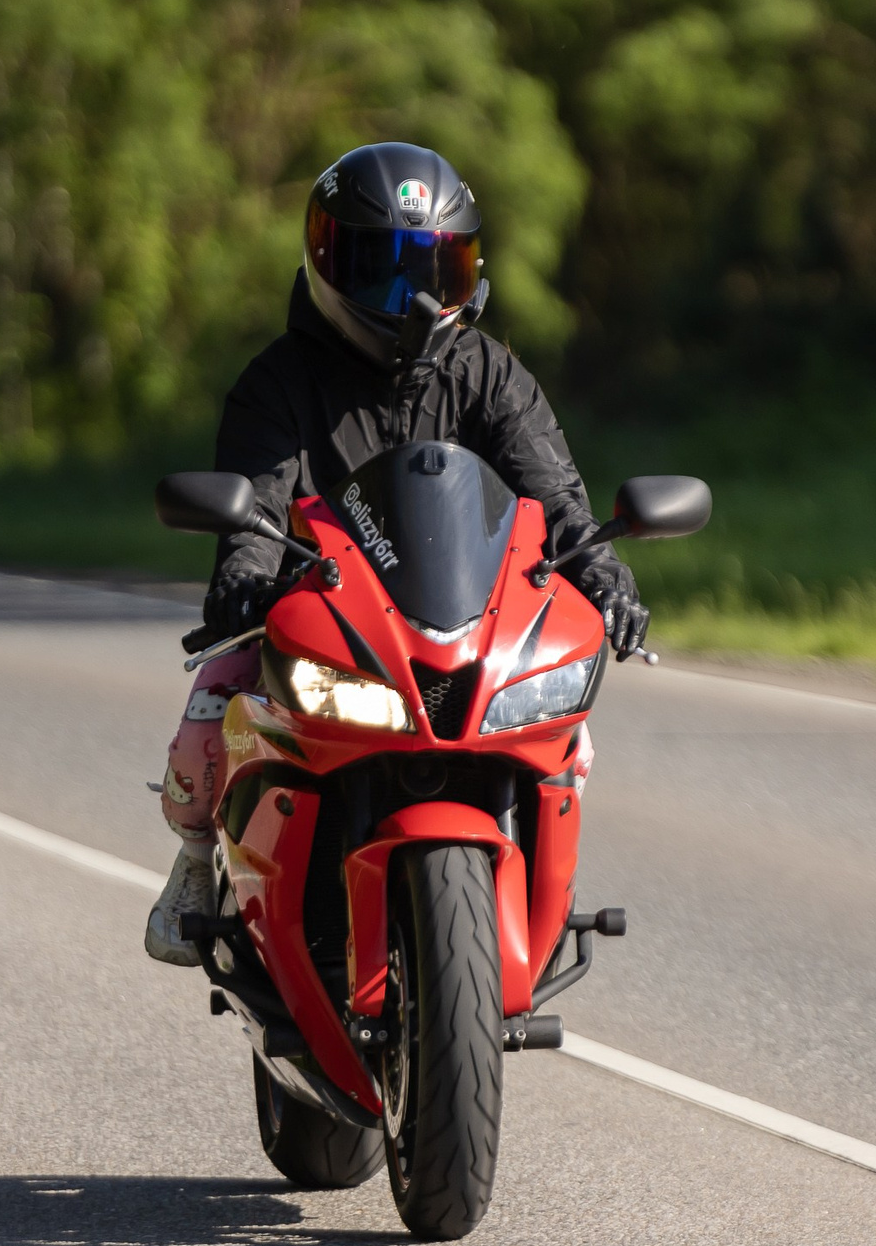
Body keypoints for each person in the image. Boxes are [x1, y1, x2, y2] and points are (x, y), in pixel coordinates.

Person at [144, 141, 648, 965]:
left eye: (438, 267)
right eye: (380, 267)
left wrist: (605, 576)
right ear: (323, 261)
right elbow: (255, 496)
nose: (412, 296)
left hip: (471, 617)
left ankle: (534, 903)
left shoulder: (491, 375)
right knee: (210, 725)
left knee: (570, 735)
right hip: (322, 614)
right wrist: (242, 573)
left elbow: (556, 496)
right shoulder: (280, 381)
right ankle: (198, 863)